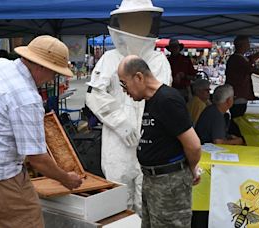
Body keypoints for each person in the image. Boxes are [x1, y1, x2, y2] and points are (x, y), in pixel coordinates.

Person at [0, 35, 83, 227]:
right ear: (41, 66)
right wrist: (66, 179)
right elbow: (37, 159)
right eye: (54, 73)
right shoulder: (27, 98)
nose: (52, 78)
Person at [85, 0, 172, 215]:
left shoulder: (159, 60)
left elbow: (162, 100)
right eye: (132, 19)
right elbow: (94, 95)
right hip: (118, 141)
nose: (138, 24)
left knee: (147, 203)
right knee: (118, 201)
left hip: (150, 140)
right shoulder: (109, 58)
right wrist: (121, 123)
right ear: (120, 23)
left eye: (143, 18)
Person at [117, 55, 201, 228]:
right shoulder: (151, 100)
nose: (124, 91)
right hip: (153, 181)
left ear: (139, 77)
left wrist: (191, 168)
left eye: (124, 84)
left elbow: (193, 145)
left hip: (169, 183)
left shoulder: (167, 100)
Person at [225, 36, 259, 119]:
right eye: (247, 43)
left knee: (238, 118)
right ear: (242, 45)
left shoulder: (238, 57)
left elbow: (253, 57)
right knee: (238, 120)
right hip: (238, 95)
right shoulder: (238, 59)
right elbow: (255, 70)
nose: (249, 45)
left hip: (238, 95)